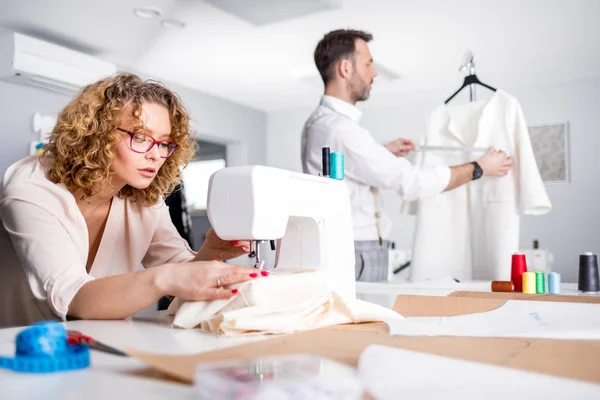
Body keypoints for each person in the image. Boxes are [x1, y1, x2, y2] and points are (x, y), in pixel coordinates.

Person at [0, 72, 267, 328]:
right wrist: (163, 279)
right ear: (97, 133)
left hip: (99, 346)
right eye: (140, 137)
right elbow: (74, 298)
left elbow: (180, 274)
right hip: (21, 352)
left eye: (164, 143)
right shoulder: (32, 188)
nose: (156, 155)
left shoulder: (144, 198)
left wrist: (211, 252)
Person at [301, 29, 513, 282]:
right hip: (358, 252)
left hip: (355, 248)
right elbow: (411, 183)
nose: (375, 72)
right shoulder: (342, 130)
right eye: (368, 63)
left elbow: (347, 165)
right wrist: (479, 168)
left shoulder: (322, 123)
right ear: (345, 69)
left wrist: (382, 153)